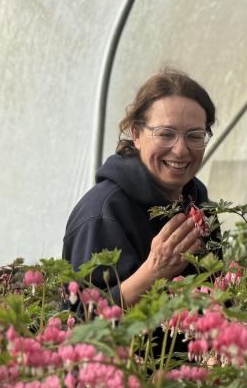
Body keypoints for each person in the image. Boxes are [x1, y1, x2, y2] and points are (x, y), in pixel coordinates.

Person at [63, 69, 215, 307]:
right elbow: (80, 321)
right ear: (136, 134)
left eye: (195, 135)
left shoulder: (197, 202)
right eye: (166, 134)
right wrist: (153, 272)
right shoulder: (102, 214)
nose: (181, 150)